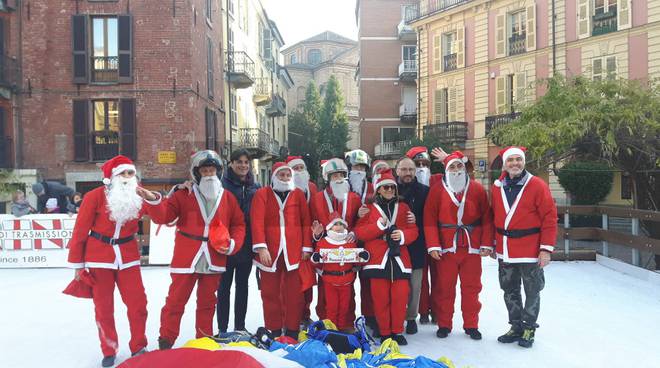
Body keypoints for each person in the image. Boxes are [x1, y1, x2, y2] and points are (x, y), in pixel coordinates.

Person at [67, 155, 163, 367]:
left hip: (128, 257)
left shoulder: (139, 196)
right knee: (103, 308)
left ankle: (139, 346)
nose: (128, 177)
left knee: (138, 304)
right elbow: (80, 230)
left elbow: (162, 218)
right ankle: (109, 348)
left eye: (131, 173)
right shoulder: (94, 196)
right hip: (99, 258)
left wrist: (151, 198)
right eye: (123, 173)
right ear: (112, 177)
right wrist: (78, 265)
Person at [146, 150, 246, 350]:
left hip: (214, 256)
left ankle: (203, 342)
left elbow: (238, 224)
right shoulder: (183, 193)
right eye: (205, 170)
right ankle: (166, 341)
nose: (208, 174)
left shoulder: (227, 197)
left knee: (208, 304)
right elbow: (164, 217)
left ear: (218, 172)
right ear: (197, 173)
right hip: (187, 256)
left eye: (212, 170)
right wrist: (155, 200)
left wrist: (233, 243)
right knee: (175, 302)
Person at [490, 146, 557, 348]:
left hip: (530, 249)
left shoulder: (537, 185)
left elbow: (550, 218)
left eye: (518, 160)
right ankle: (516, 325)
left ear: (524, 162)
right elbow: (493, 216)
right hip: (505, 248)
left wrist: (546, 249)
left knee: (532, 289)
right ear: (505, 164)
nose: (515, 164)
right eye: (511, 160)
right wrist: (493, 244)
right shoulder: (497, 186)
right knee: (509, 289)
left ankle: (529, 327)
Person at [424, 151, 493, 340]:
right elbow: (429, 220)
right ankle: (444, 324)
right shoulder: (437, 190)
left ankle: (471, 324)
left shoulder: (478, 189)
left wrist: (487, 243)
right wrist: (433, 245)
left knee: (472, 288)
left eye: (459, 166)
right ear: (446, 170)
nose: (456, 170)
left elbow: (487, 219)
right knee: (444, 288)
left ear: (465, 168)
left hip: (471, 247)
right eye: (452, 167)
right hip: (447, 248)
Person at [355, 169, 418, 346]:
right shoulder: (368, 209)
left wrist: (403, 235)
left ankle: (397, 331)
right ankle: (384, 332)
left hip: (400, 259)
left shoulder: (404, 208)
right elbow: (359, 232)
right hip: (377, 259)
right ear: (378, 190)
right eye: (385, 187)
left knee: (400, 298)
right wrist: (377, 227)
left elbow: (414, 231)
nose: (389, 190)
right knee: (380, 299)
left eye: (392, 187)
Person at [250, 162, 312, 340]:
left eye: (287, 175)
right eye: (281, 175)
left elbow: (305, 221)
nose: (285, 179)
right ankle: (274, 329)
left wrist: (306, 247)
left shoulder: (298, 195)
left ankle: (292, 329)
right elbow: (257, 221)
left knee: (295, 294)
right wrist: (261, 247)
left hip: (293, 252)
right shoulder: (262, 194)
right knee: (270, 293)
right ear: (274, 177)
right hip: (270, 252)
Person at [310, 158, 361, 321]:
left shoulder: (354, 198)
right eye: (334, 176)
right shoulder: (317, 198)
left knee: (348, 291)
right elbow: (313, 224)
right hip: (326, 249)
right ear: (327, 178)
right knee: (324, 290)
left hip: (347, 251)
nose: (339, 178)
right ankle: (325, 322)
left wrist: (355, 234)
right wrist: (317, 236)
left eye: (341, 175)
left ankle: (347, 322)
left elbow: (358, 223)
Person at [216, 149, 261, 334]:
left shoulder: (255, 187)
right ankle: (222, 328)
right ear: (231, 164)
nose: (243, 165)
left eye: (246, 162)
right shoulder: (220, 184)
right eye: (239, 162)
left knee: (242, 286)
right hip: (225, 244)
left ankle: (240, 327)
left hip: (246, 244)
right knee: (223, 288)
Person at [311, 214, 367, 332]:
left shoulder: (350, 242)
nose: (339, 227)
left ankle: (341, 329)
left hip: (346, 280)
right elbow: (317, 262)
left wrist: (363, 257)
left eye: (341, 224)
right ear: (330, 227)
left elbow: (357, 261)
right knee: (331, 307)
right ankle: (332, 330)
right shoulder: (323, 242)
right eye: (335, 224)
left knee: (344, 307)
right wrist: (315, 258)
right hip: (330, 281)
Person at [395, 157, 429, 335]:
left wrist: (418, 221)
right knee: (396, 285)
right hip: (394, 246)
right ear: (397, 171)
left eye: (411, 170)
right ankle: (396, 317)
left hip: (416, 245)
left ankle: (411, 318)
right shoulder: (389, 189)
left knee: (415, 286)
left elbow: (431, 218)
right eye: (404, 169)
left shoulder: (424, 191)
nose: (408, 173)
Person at [287, 155, 319, 326]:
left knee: (308, 283)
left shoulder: (312, 188)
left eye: (301, 168)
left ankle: (305, 315)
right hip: (292, 243)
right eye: (295, 168)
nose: (299, 171)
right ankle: (292, 317)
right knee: (293, 283)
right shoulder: (284, 189)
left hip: (311, 241)